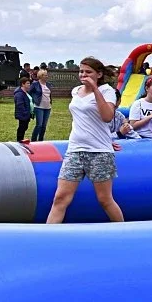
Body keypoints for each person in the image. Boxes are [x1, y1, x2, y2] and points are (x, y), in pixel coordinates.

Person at [46, 57, 124, 223]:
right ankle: (48, 238)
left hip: (99, 152)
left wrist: (95, 89)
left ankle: (123, 232)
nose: (83, 74)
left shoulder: (106, 91)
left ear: (99, 74)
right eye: (81, 71)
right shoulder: (76, 91)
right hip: (75, 150)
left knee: (105, 199)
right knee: (60, 198)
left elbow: (107, 117)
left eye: (88, 72)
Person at [29, 68, 53, 141]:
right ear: (41, 76)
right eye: (45, 75)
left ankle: (41, 140)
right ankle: (33, 140)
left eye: (47, 75)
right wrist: (33, 100)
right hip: (39, 107)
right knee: (39, 125)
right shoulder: (35, 84)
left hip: (47, 107)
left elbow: (49, 94)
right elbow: (29, 93)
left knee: (44, 126)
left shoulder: (48, 84)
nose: (47, 76)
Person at [13, 77, 32, 142]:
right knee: (22, 128)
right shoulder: (19, 94)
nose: (29, 85)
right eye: (28, 83)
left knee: (24, 127)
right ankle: (19, 141)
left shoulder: (25, 92)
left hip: (26, 114)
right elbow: (19, 105)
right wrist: (26, 112)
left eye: (29, 83)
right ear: (23, 84)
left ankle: (21, 140)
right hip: (22, 114)